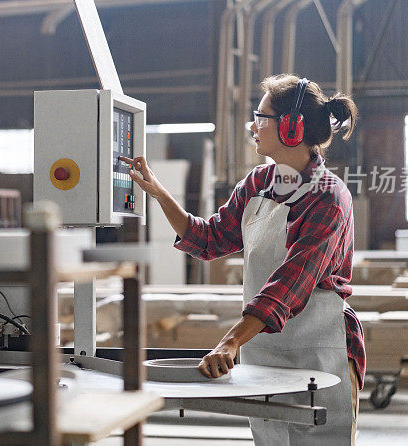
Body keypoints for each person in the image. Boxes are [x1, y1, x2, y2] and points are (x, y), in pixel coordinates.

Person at [121, 74, 364, 446]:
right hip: (265, 350)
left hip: (320, 352)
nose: (252, 125)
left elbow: (290, 284)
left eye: (260, 116)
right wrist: (160, 194)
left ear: (291, 127)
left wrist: (230, 342)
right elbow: (210, 239)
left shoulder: (328, 198)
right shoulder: (258, 183)